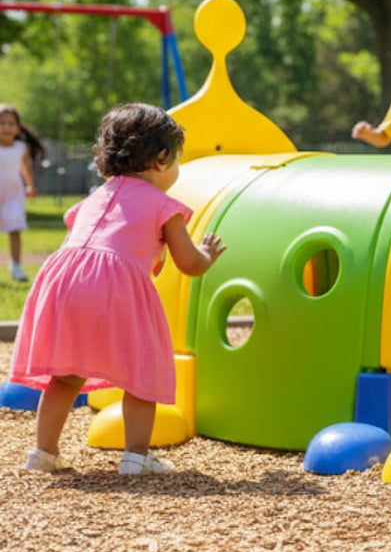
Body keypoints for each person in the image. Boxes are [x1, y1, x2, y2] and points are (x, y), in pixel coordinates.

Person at [9, 103, 226, 475]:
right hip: (114, 286)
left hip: (62, 283)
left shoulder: (95, 197)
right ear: (161, 158)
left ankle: (43, 453)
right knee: (141, 372)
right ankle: (136, 458)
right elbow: (189, 264)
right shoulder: (165, 206)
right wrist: (206, 253)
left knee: (65, 375)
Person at [0, 103, 44, 282]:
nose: (6, 127)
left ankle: (16, 266)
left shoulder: (20, 148)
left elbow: (25, 168)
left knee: (15, 229)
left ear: (18, 128)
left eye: (11, 123)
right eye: (2, 123)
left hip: (13, 195)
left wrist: (31, 185)